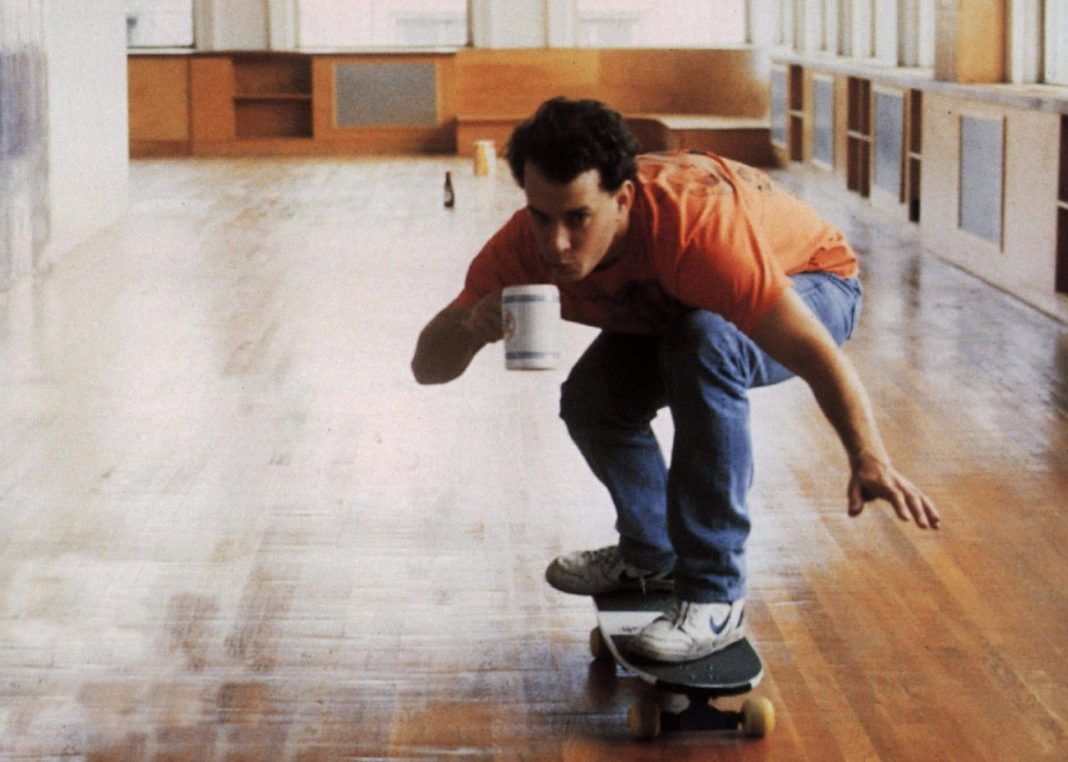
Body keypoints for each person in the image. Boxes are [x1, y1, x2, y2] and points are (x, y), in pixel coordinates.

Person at [411, 97, 940, 664]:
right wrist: (471, 328)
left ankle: (716, 596)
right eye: (542, 217)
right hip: (678, 306)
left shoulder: (697, 231)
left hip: (814, 282)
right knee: (593, 400)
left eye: (578, 218)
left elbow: (814, 353)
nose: (556, 244)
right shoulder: (523, 247)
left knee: (703, 345)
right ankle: (650, 551)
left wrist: (869, 455)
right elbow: (427, 368)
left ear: (624, 199)